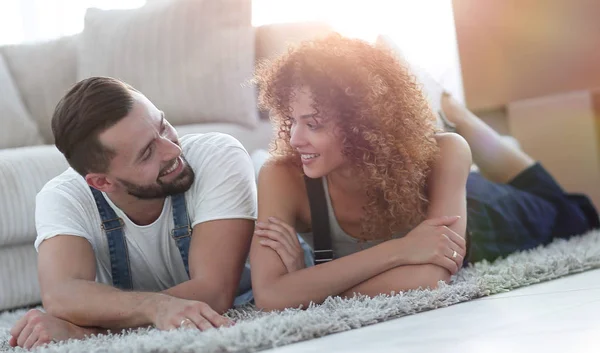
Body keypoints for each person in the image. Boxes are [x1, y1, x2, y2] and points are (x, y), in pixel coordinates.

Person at [249, 34, 599, 311]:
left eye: (313, 123)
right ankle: (450, 110)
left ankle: (451, 110)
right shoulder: (280, 176)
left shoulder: (445, 154)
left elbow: (430, 278)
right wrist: (404, 249)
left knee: (576, 213)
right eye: (290, 120)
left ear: (364, 122)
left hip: (484, 218)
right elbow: (270, 296)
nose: (294, 138)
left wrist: (306, 285)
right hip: (431, 213)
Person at [9, 77, 257, 349]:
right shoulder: (63, 197)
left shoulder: (218, 155)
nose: (173, 149)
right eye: (147, 152)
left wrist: (86, 331)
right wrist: (156, 307)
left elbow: (214, 292)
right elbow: (61, 295)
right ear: (102, 183)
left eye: (163, 127)